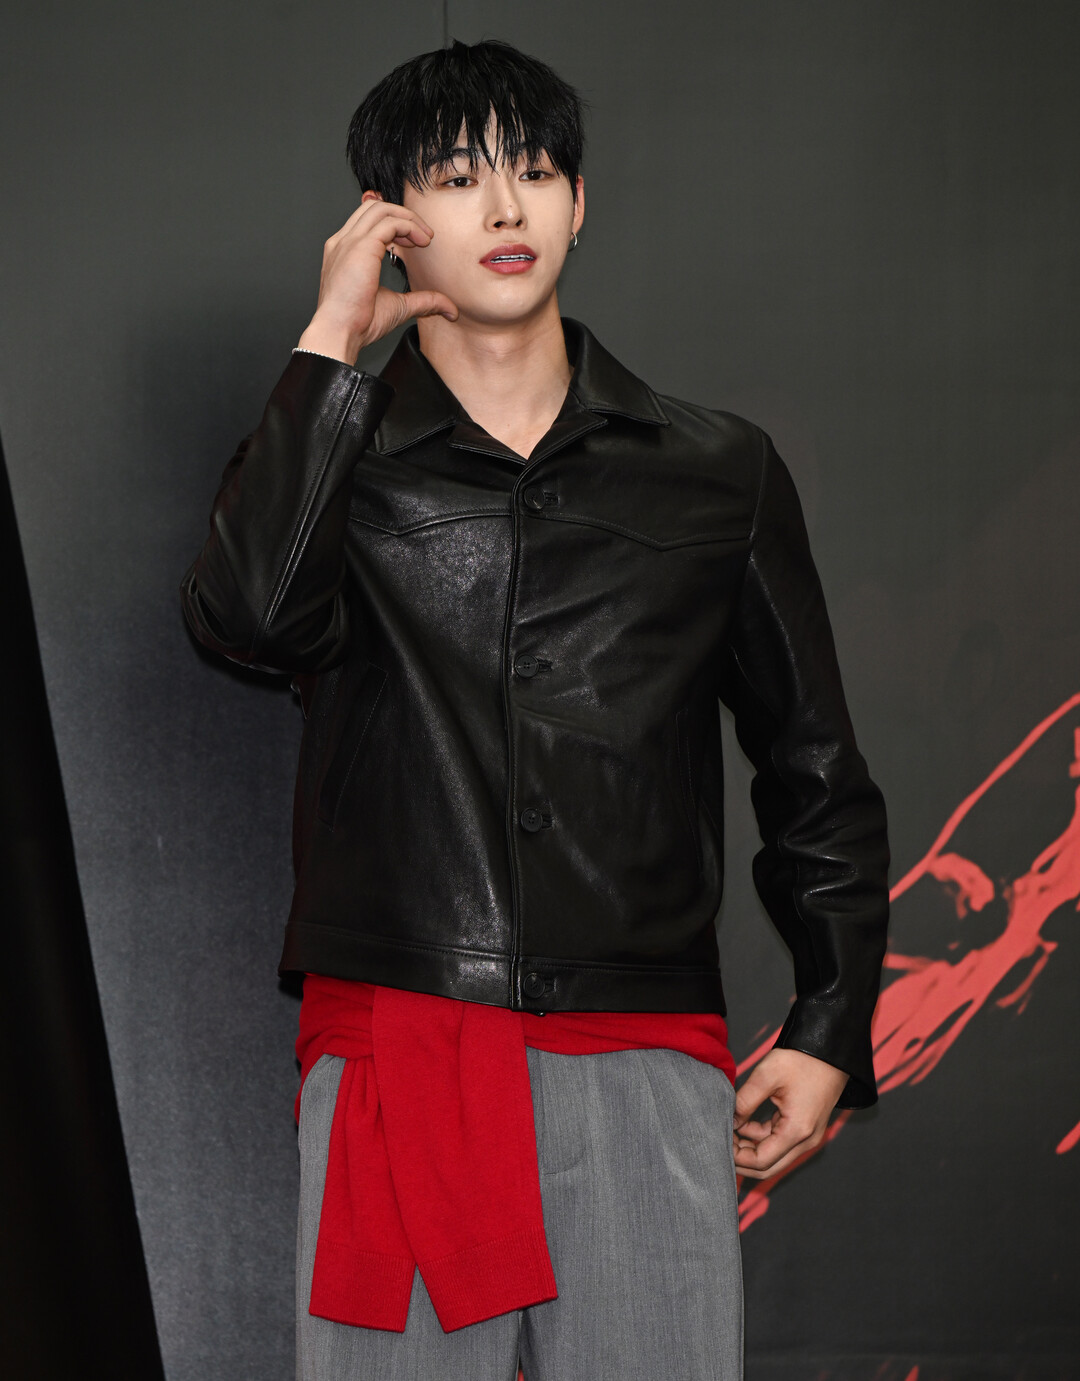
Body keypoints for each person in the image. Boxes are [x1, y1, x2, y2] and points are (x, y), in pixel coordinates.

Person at [180, 37, 890, 1381]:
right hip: (401, 1042)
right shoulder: (332, 460)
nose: (505, 207)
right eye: (458, 177)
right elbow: (244, 622)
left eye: (537, 170)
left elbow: (814, 767)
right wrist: (330, 348)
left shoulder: (718, 470)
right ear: (390, 220)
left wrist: (831, 1021)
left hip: (640, 1051)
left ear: (579, 204)